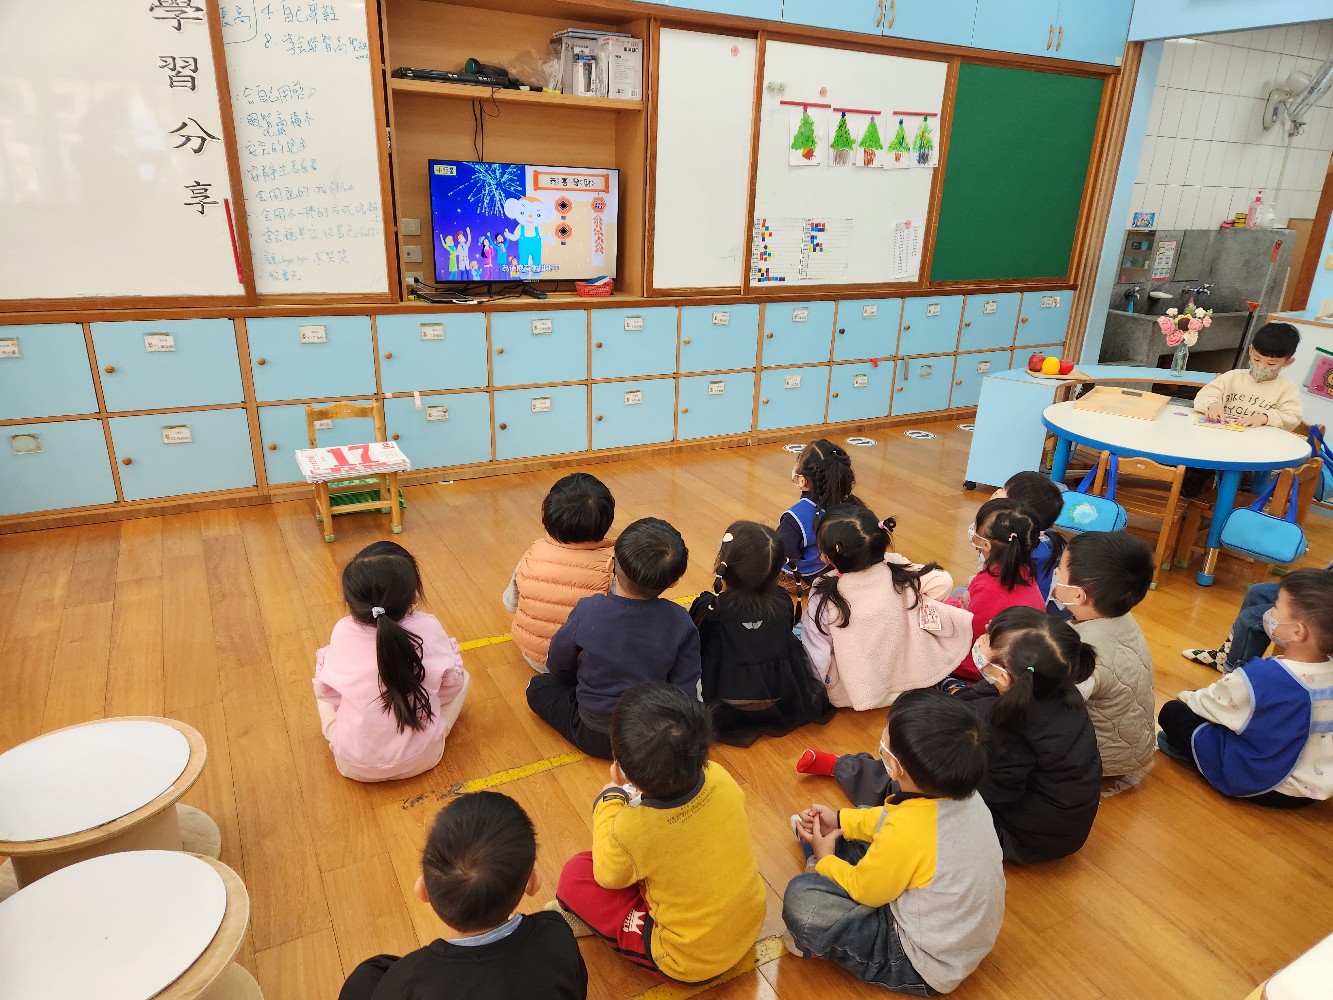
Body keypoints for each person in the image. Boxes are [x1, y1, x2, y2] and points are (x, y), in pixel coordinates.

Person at [783, 689, 1004, 995]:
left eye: (886, 736)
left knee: (802, 900)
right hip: (955, 938)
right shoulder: (962, 794)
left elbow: (867, 890)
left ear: (898, 767)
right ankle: (824, 849)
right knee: (863, 820)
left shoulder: (908, 832)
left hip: (921, 962)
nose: (883, 738)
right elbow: (889, 821)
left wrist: (826, 860)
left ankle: (816, 870)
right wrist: (841, 820)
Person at [550, 682, 766, 985]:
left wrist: (608, 800)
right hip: (749, 924)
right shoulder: (721, 777)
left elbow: (608, 875)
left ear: (621, 771)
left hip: (687, 960)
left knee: (576, 875)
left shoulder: (634, 830)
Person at [338, 792, 588, 1000]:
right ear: (532, 882)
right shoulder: (556, 934)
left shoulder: (405, 982)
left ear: (422, 890)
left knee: (367, 976)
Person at [1158, 567, 1333, 808]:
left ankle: (1195, 759)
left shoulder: (1263, 676)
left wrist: (1188, 697)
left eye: (1276, 606)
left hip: (1263, 785)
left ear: (1297, 631)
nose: (1269, 613)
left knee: (1173, 712)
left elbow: (1206, 704)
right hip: (1310, 793)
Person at [526, 518, 699, 759]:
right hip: (649, 738)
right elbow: (684, 688)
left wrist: (573, 679)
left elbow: (558, 661)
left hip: (592, 732)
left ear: (610, 565)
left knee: (537, 686)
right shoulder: (680, 620)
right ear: (674, 582)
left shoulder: (590, 609)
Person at [314, 542, 469, 782]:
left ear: (351, 601)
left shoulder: (342, 631)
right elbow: (451, 688)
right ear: (414, 596)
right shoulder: (428, 626)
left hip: (354, 765)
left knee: (323, 687)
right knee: (463, 677)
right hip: (423, 757)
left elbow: (331, 696)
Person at [956, 607, 1101, 863]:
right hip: (1056, 822)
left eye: (987, 639)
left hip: (1026, 837)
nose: (981, 638)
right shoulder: (1052, 688)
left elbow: (989, 793)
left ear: (1004, 677)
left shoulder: (1009, 732)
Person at [800, 505, 971, 711]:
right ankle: (940, 680)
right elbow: (942, 581)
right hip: (912, 679)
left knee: (800, 632)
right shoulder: (894, 565)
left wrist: (811, 693)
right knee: (914, 603)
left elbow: (816, 651)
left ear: (827, 556)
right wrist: (918, 609)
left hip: (857, 692)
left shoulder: (824, 590)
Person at [689, 521, 833, 747]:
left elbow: (695, 648)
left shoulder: (708, 606)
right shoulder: (783, 602)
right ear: (777, 572)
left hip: (721, 704)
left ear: (724, 565)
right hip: (780, 701)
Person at [1055, 532, 1157, 791]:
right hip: (1132, 746)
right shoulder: (1120, 618)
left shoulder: (1084, 653)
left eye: (1060, 570)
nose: (1055, 573)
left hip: (1102, 758)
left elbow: (1052, 709)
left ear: (1078, 595)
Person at [502, 473, 616, 672]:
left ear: (547, 517)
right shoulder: (609, 567)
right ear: (606, 523)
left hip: (533, 656)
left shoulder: (532, 554)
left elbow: (510, 603)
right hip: (581, 664)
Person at [946, 498, 1046, 681]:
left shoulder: (989, 588)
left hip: (983, 663)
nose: (972, 529)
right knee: (957, 592)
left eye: (976, 527)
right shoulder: (1023, 570)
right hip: (1019, 651)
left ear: (986, 545)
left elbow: (968, 635)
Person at [778, 439, 863, 582]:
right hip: (843, 569)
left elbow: (784, 556)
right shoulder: (854, 505)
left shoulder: (795, 517)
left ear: (803, 480)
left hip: (806, 578)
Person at [1193, 322, 1303, 430]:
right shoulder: (1232, 377)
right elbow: (1204, 395)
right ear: (1250, 350)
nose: (1261, 367)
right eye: (1257, 359)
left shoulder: (1287, 388)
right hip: (1223, 434)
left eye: (1271, 364)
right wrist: (1213, 404)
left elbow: (1292, 417)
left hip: (1259, 439)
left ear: (1288, 362)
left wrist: (1264, 418)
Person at [993, 470, 1067, 599]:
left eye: (1004, 490)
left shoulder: (1009, 545)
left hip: (1016, 607)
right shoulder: (1051, 537)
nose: (998, 492)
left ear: (1016, 512)